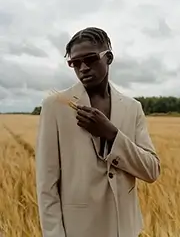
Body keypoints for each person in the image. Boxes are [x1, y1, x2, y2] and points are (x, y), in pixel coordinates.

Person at [35, 27, 160, 237]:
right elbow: (46, 184)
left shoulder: (132, 108)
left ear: (108, 57)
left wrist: (112, 134)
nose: (83, 67)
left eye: (90, 59)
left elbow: (151, 171)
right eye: (75, 63)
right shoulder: (55, 107)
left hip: (125, 229)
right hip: (80, 230)